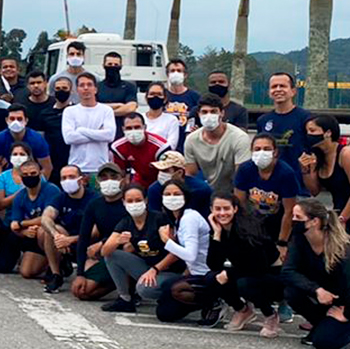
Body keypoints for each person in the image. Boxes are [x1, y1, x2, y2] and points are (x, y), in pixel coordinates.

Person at [300, 114, 350, 314]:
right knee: (336, 264)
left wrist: (342, 219)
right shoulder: (317, 156)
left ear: (327, 133)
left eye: (313, 131)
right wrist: (307, 170)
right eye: (307, 132)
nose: (308, 135)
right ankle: (343, 309)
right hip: (343, 212)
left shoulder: (346, 154)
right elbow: (314, 191)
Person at [162, 194, 280, 333]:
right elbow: (213, 264)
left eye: (226, 209)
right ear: (211, 209)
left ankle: (270, 315)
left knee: (244, 284)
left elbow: (259, 265)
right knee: (212, 277)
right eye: (218, 209)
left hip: (271, 274)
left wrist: (230, 273)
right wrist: (217, 235)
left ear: (235, 209)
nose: (222, 213)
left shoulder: (248, 229)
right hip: (245, 271)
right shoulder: (219, 229)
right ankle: (243, 310)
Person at [281, 198, 350, 349]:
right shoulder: (299, 240)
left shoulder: (342, 249)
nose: (293, 220)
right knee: (292, 292)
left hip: (347, 303)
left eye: (298, 217)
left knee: (324, 343)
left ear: (314, 221)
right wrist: (317, 290)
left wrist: (347, 313)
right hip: (323, 296)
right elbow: (288, 271)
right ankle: (321, 325)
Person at [100, 182, 203, 313]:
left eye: (138, 200)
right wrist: (117, 242)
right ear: (123, 202)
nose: (134, 204)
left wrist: (155, 269)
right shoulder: (125, 222)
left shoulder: (159, 219)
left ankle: (174, 296)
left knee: (144, 289)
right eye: (130, 201)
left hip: (170, 270)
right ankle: (125, 299)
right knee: (113, 255)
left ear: (146, 200)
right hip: (147, 266)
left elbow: (175, 252)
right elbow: (105, 252)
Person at [0, 159, 61, 281]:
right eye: (25, 175)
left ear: (40, 173)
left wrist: (23, 223)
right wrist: (24, 232)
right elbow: (14, 225)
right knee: (26, 272)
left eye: (33, 173)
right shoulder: (20, 196)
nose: (29, 177)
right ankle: (42, 262)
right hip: (29, 235)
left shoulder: (51, 190)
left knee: (43, 231)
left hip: (52, 233)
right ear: (20, 176)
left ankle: (56, 265)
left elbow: (47, 218)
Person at [233, 134, 300, 254]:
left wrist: (282, 242)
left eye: (267, 149)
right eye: (257, 149)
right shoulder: (245, 169)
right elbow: (239, 204)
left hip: (278, 223)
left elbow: (289, 211)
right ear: (251, 151)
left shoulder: (286, 173)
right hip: (253, 221)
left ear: (275, 152)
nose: (261, 152)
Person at [71, 164, 130, 301]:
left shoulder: (129, 203)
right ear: (98, 182)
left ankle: (130, 290)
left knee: (127, 247)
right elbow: (83, 238)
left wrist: (102, 243)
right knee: (81, 291)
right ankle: (116, 284)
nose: (109, 181)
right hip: (105, 254)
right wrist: (79, 274)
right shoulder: (94, 205)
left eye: (114, 177)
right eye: (104, 177)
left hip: (126, 251)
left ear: (122, 179)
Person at [183, 94, 251, 198]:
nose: (209, 116)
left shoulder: (239, 138)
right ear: (198, 114)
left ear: (222, 113)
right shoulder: (191, 140)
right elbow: (191, 175)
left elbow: (241, 177)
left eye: (213, 111)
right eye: (204, 112)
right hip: (205, 191)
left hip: (233, 192)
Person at [37, 166, 92, 294]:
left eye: (71, 177)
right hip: (63, 240)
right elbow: (46, 217)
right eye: (64, 178)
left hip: (87, 242)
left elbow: (95, 232)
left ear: (82, 179)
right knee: (46, 230)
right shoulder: (60, 198)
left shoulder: (94, 199)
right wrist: (56, 235)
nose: (67, 180)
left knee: (87, 284)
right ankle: (56, 273)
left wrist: (71, 240)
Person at [61, 73, 116, 178]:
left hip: (100, 168)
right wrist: (98, 134)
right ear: (77, 90)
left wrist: (81, 130)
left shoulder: (106, 110)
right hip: (76, 168)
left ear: (95, 89)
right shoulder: (69, 111)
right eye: (82, 85)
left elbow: (109, 136)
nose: (86, 88)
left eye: (89, 85)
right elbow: (69, 138)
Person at [258, 71, 311, 159]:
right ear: (269, 92)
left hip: (297, 171)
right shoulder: (263, 120)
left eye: (282, 86)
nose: (278, 89)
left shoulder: (306, 118)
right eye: (274, 87)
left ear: (293, 91)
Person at [149, 150, 214, 218]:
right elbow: (155, 217)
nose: (161, 174)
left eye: (165, 170)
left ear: (180, 172)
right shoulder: (154, 190)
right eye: (159, 170)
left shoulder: (201, 190)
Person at [0, 105, 49, 176]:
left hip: (32, 175)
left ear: (26, 120)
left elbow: (47, 167)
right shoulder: (0, 138)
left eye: (19, 119)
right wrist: (1, 181)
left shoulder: (37, 139)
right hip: (9, 175)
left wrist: (37, 184)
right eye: (12, 118)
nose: (15, 122)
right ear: (6, 120)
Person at [112, 113, 167, 189]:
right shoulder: (118, 147)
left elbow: (167, 173)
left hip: (160, 181)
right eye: (129, 128)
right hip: (140, 179)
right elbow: (121, 173)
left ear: (145, 127)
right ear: (123, 129)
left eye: (137, 127)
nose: (133, 131)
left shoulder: (160, 146)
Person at [39, 75, 75, 173]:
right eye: (58, 88)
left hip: (72, 159)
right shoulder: (45, 113)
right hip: (51, 160)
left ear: (71, 91)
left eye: (64, 88)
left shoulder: (77, 112)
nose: (61, 91)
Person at [162, 58, 198, 141]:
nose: (175, 73)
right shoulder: (162, 95)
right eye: (172, 71)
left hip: (187, 141)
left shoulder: (195, 97)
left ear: (185, 75)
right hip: (166, 141)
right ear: (167, 74)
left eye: (179, 71)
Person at [94, 52, 138, 120]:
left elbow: (131, 108)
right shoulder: (96, 87)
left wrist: (106, 112)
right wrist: (119, 105)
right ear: (103, 66)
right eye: (110, 64)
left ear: (121, 66)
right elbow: (94, 108)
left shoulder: (129, 87)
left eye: (116, 64)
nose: (113, 66)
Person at [140, 82, 182, 153]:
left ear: (165, 99)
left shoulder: (171, 120)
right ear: (146, 98)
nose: (155, 97)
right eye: (152, 94)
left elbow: (172, 146)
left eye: (159, 94)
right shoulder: (139, 118)